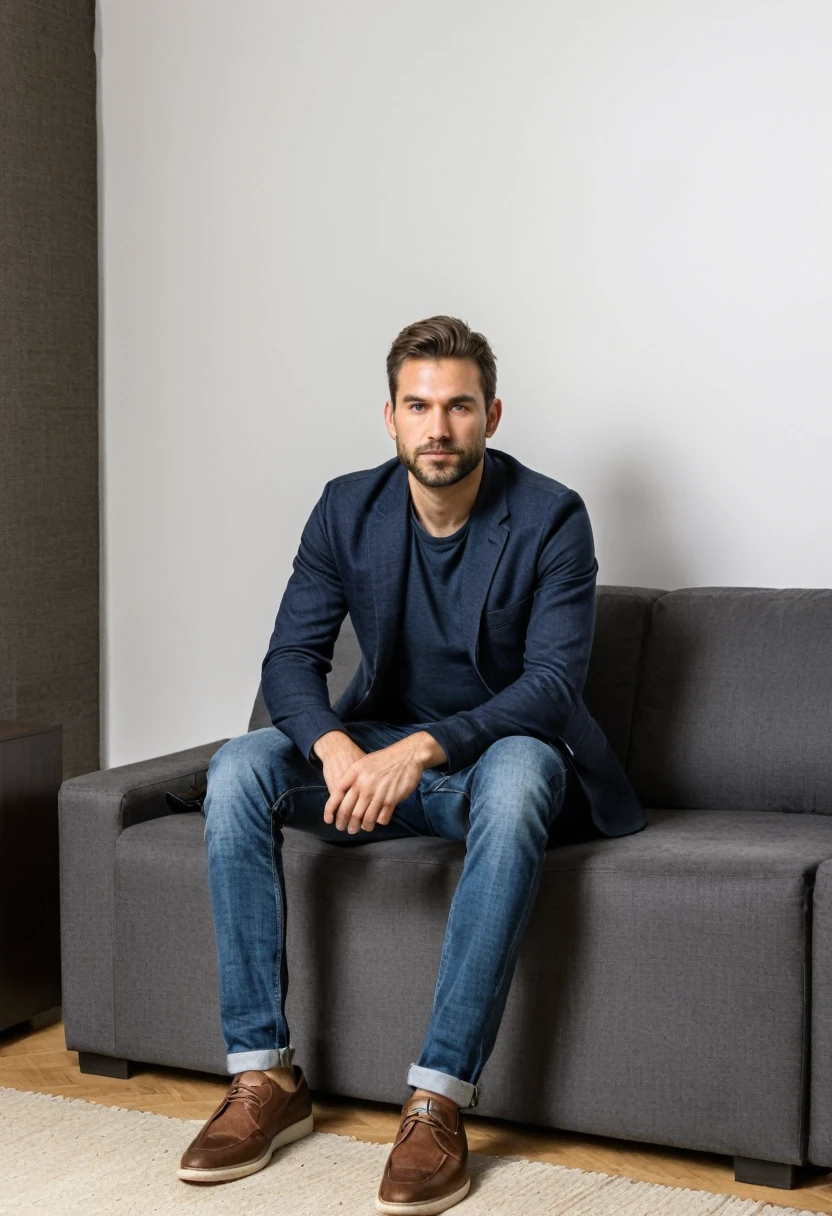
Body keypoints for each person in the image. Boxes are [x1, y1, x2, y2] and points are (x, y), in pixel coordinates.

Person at [177, 315, 647, 1212]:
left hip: (487, 768)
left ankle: (438, 1099)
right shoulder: (343, 508)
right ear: (389, 417)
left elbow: (551, 686)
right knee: (238, 766)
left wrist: (420, 748)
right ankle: (264, 1078)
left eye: (459, 406)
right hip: (373, 758)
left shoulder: (552, 517)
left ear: (492, 415)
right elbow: (289, 662)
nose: (439, 427)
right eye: (419, 406)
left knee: (519, 776)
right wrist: (339, 746)